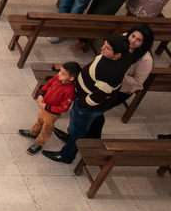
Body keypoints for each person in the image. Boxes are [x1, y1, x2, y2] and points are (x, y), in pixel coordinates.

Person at [44, 35, 133, 163]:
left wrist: (81, 102)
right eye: (104, 44)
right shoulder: (125, 55)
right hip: (86, 98)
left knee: (78, 129)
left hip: (88, 105)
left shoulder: (111, 73)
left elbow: (99, 96)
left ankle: (67, 155)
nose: (102, 48)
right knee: (76, 126)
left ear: (117, 55)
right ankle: (70, 138)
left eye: (107, 48)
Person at [19, 61, 80, 155]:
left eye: (63, 74)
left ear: (71, 78)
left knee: (46, 128)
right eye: (60, 71)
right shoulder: (58, 78)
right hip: (44, 107)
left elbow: (63, 108)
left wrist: (47, 107)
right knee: (39, 120)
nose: (59, 74)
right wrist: (41, 94)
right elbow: (48, 84)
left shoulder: (70, 91)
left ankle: (39, 143)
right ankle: (33, 133)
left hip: (52, 113)